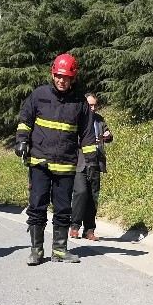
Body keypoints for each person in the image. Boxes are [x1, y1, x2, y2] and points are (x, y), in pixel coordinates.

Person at [15, 53, 97, 266]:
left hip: (66, 164)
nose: (62, 80)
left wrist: (91, 161)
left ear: (73, 78)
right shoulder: (39, 95)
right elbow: (25, 120)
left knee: (63, 208)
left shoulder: (80, 103)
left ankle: (59, 249)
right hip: (40, 162)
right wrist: (21, 141)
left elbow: (87, 134)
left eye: (66, 77)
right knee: (37, 206)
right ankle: (36, 250)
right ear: (53, 74)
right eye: (59, 76)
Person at [69, 93, 113, 241]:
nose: (92, 108)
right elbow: (70, 139)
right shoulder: (77, 119)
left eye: (94, 105)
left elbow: (109, 136)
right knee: (81, 193)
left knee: (93, 197)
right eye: (90, 105)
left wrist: (107, 135)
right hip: (81, 162)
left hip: (96, 162)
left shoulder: (99, 119)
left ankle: (89, 230)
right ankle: (74, 226)